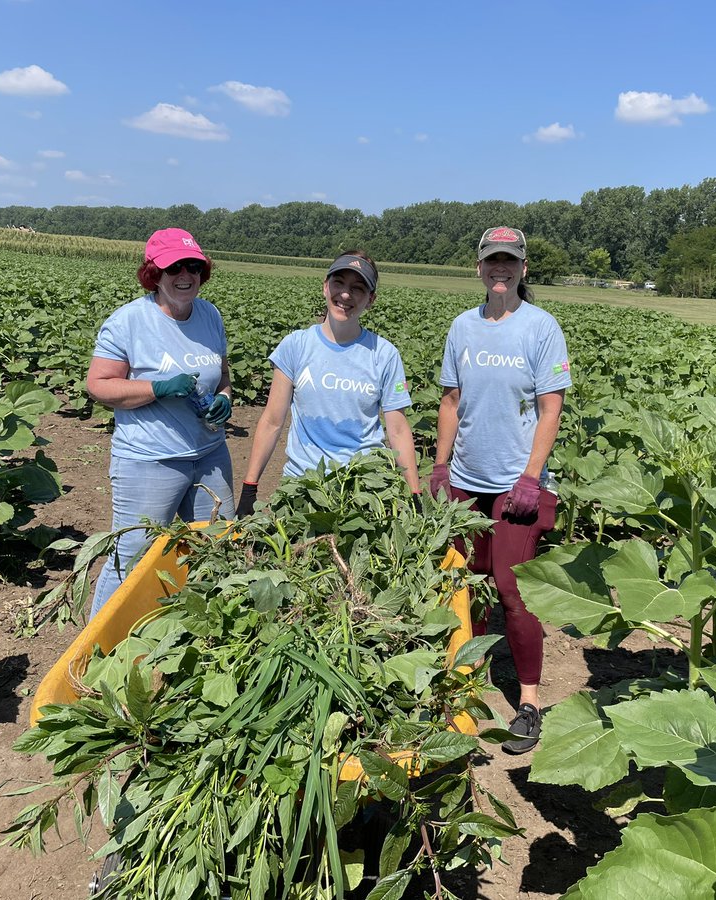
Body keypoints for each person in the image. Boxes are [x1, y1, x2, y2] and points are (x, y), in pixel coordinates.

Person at [431, 226, 571, 753]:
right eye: (493, 261)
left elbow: (551, 407)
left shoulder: (541, 328)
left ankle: (529, 701)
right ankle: (470, 682)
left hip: (517, 484)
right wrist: (441, 468)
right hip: (466, 480)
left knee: (513, 593)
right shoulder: (462, 328)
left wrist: (531, 477)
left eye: (510, 262)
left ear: (523, 270)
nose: (501, 269)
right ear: (479, 267)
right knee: (468, 587)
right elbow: (450, 402)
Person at [86, 227, 235, 616]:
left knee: (217, 544)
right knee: (132, 555)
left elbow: (222, 374)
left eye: (194, 267)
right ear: (154, 273)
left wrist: (223, 398)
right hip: (149, 460)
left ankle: (200, 626)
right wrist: (158, 388)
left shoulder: (209, 315)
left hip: (209, 455)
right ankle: (98, 644)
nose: (186, 275)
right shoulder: (129, 322)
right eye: (174, 268)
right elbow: (99, 385)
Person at [236, 251, 420, 515]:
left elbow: (399, 430)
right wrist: (249, 487)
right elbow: (272, 421)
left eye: (358, 288)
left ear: (371, 300)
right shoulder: (296, 346)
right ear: (325, 286)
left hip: (364, 492)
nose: (345, 294)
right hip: (302, 488)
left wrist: (414, 493)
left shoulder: (384, 354)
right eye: (339, 283)